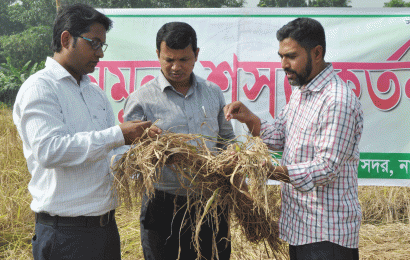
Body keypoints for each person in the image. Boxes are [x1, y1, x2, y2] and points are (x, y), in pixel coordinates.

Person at [13, 3, 160, 260]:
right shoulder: (40, 88)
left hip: (104, 229)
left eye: (102, 45)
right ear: (66, 39)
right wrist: (118, 134)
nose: (100, 53)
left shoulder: (95, 93)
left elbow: (111, 152)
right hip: (65, 235)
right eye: (93, 43)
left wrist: (145, 152)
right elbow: (50, 151)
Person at [224, 18, 363, 260]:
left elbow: (326, 168)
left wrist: (272, 171)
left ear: (317, 53)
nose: (284, 64)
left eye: (291, 56)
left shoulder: (337, 100)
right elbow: (280, 135)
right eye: (281, 56)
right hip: (301, 227)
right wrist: (250, 119)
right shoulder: (302, 92)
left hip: (326, 234)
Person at [123, 22, 235, 259]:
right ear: (158, 55)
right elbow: (129, 155)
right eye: (168, 59)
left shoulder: (213, 92)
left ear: (196, 55)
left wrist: (233, 158)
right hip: (162, 205)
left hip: (210, 203)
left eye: (183, 59)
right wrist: (156, 154)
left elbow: (226, 139)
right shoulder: (141, 99)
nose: (175, 67)